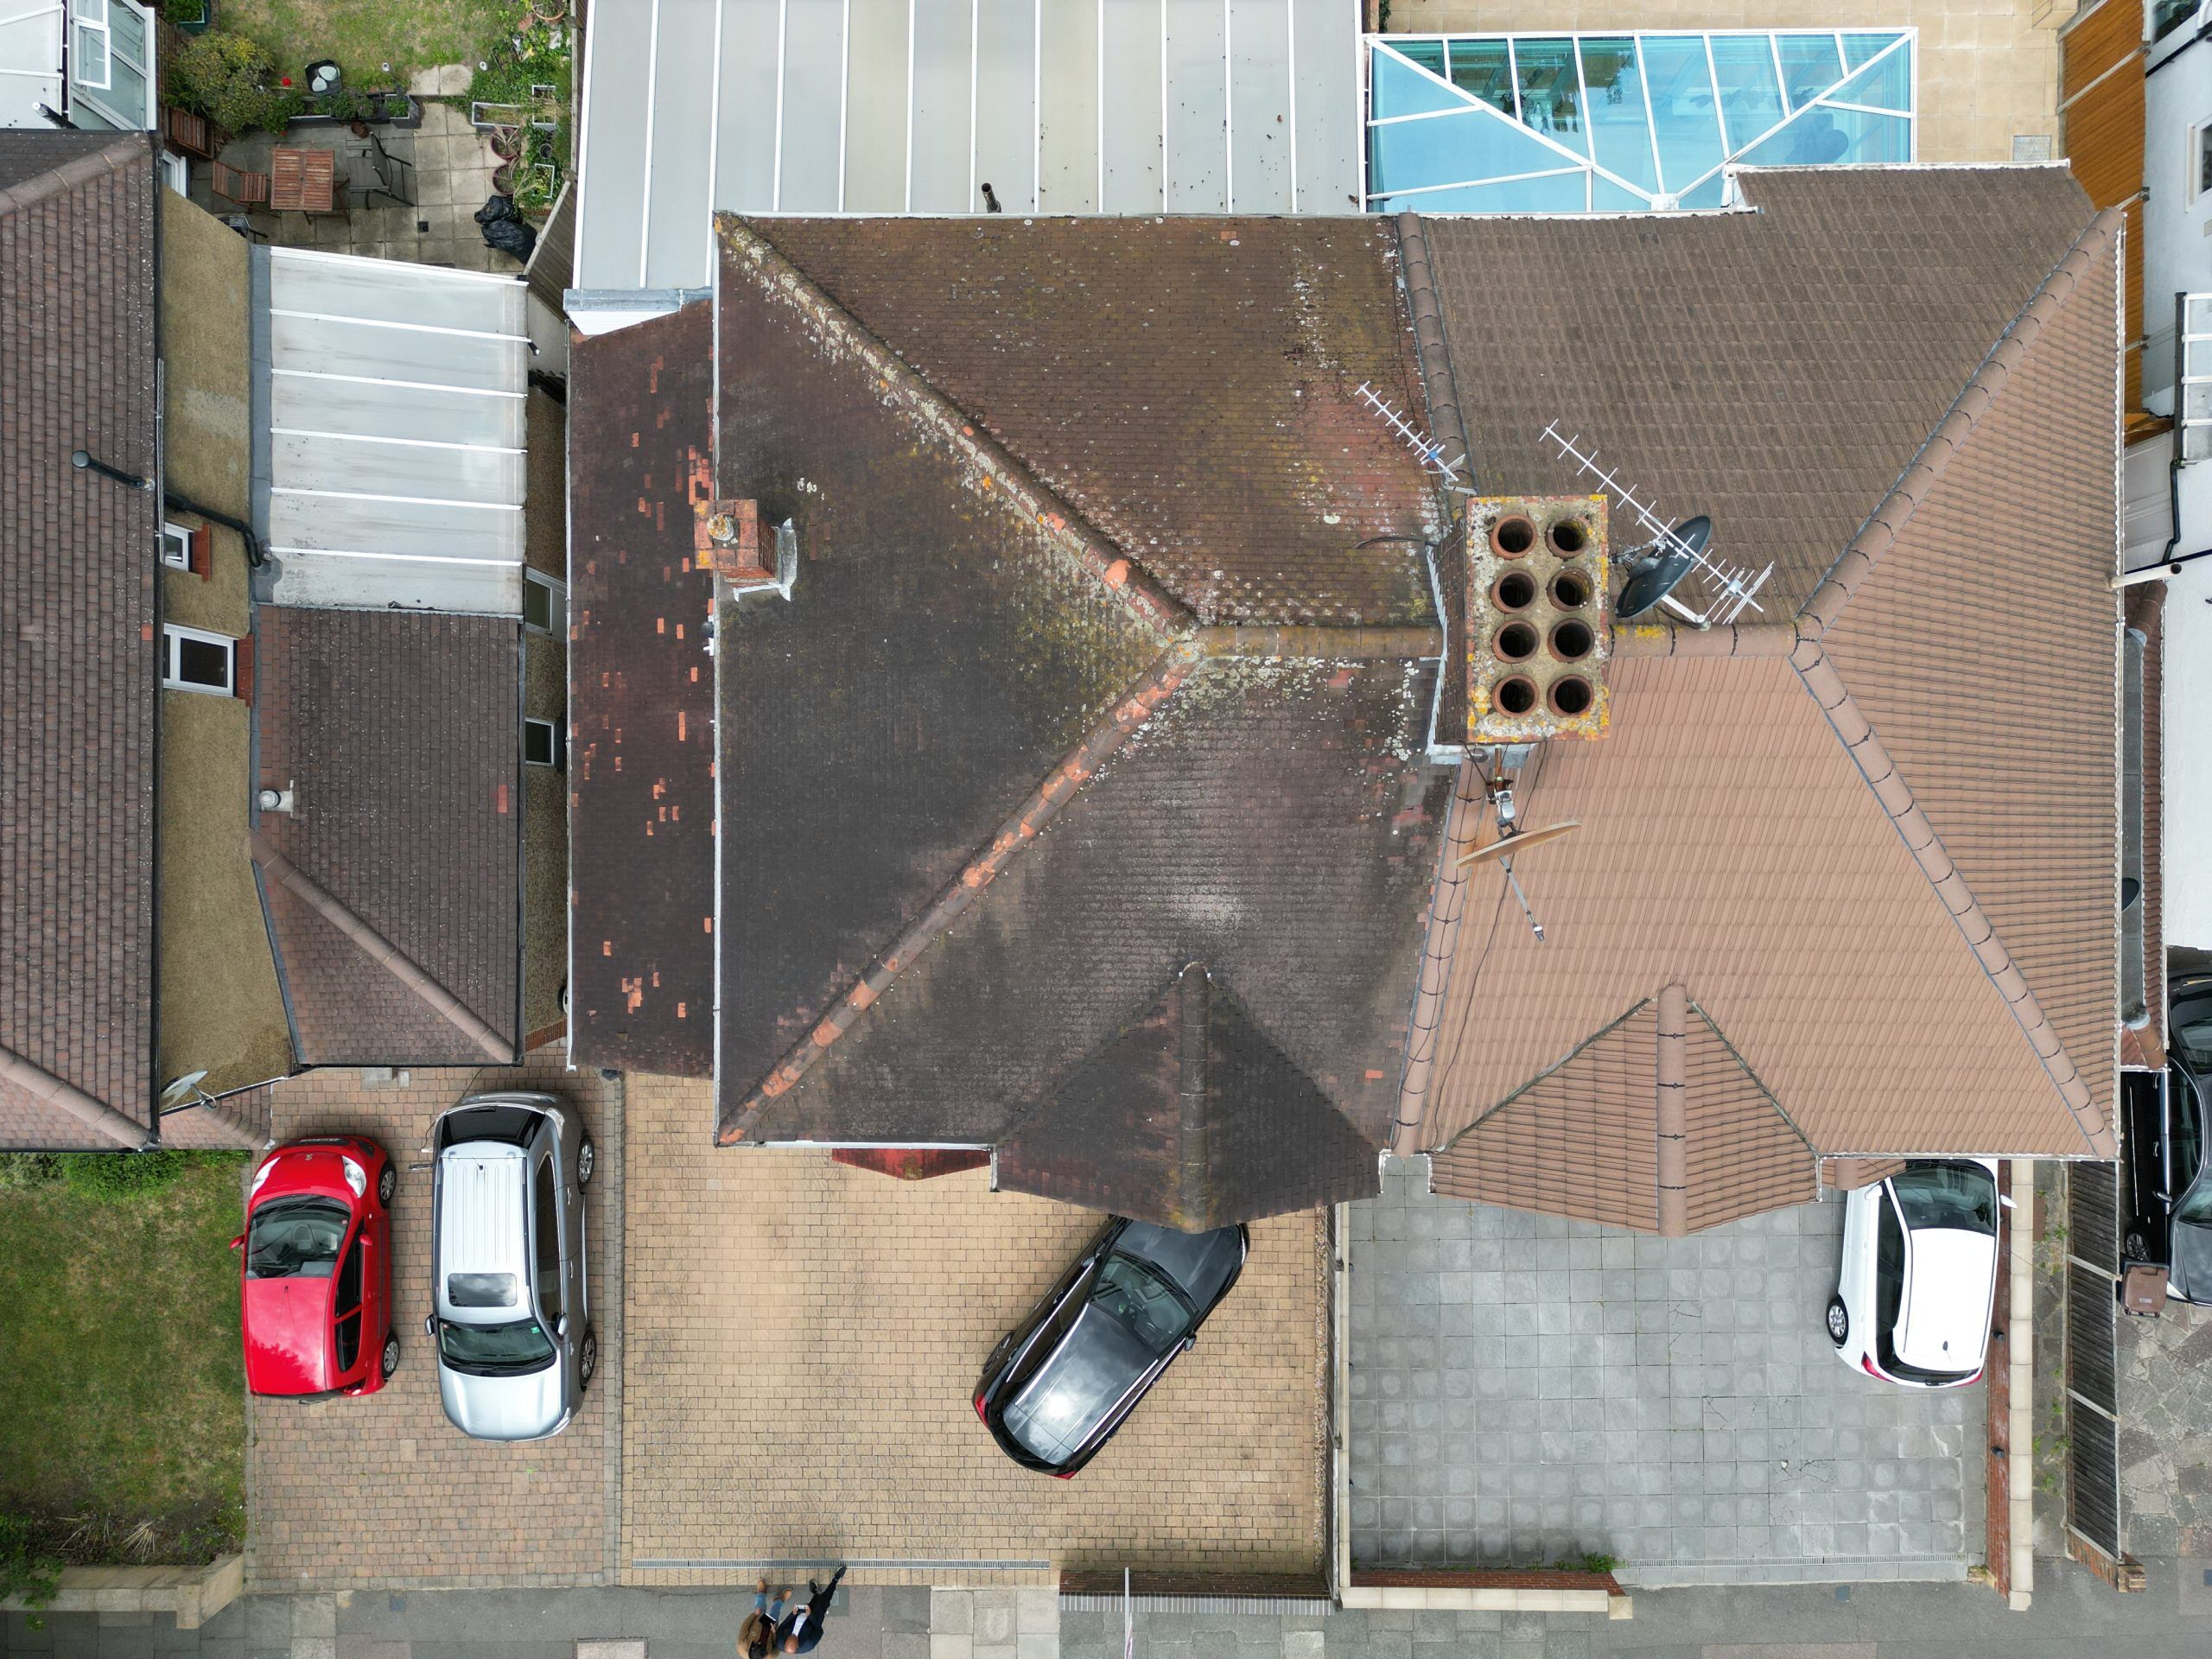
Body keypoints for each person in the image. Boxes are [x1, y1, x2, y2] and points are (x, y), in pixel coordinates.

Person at [776, 1565, 847, 1655]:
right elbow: (819, 1631)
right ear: (798, 1644)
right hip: (815, 1616)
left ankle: (816, 1594)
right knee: (825, 1599)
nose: (793, 1634)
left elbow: (784, 1625)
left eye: (790, 1635)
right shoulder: (808, 1644)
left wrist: (793, 1614)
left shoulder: (780, 1641)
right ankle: (836, 1579)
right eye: (794, 1637)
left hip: (801, 1612)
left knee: (813, 1602)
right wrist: (810, 1616)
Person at [741, 1580, 788, 1659]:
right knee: (775, 1612)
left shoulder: (742, 1645)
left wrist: (754, 1614)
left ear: (753, 1648)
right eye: (763, 1645)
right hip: (770, 1629)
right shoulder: (770, 1656)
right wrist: (774, 1632)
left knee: (760, 1605)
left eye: (758, 1643)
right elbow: (777, 1646)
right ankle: (779, 1601)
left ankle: (761, 1593)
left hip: (757, 1622)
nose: (761, 1642)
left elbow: (744, 1627)